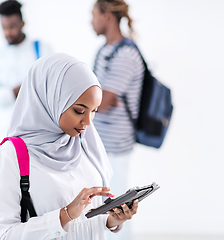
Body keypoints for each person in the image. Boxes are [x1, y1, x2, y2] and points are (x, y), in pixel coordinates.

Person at [0, 53, 139, 239]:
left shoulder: (84, 146)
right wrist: (65, 214)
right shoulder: (10, 156)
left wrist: (113, 221)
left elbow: (85, 220)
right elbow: (5, 234)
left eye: (94, 111)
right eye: (79, 110)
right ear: (50, 98)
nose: (88, 122)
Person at [91, 1, 145, 239]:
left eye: (94, 15)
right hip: (102, 146)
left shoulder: (125, 54)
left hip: (115, 147)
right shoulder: (106, 50)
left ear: (107, 16)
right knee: (104, 211)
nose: (91, 21)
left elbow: (103, 102)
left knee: (119, 210)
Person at [0, 0, 51, 155]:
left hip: (34, 138)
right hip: (0, 138)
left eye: (12, 27)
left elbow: (52, 87)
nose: (8, 32)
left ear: (23, 23)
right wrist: (15, 91)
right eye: (4, 28)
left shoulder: (42, 50)